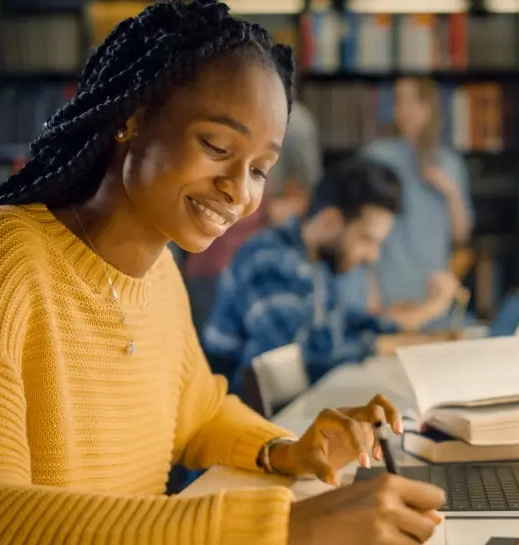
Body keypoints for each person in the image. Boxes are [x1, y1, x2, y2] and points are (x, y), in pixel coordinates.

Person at [0, 3, 445, 545]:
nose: (240, 192)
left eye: (260, 169)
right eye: (218, 147)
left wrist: (285, 451)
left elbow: (196, 413)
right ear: (132, 119)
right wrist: (280, 529)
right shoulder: (3, 251)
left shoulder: (162, 272)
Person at [201, 158, 460, 389]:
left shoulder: (314, 263)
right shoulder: (269, 260)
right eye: (367, 240)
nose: (373, 256)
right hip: (239, 418)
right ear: (330, 221)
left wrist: (417, 322)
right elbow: (298, 358)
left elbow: (340, 323)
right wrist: (395, 343)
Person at [336, 77, 474, 326]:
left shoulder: (450, 164)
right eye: (398, 102)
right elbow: (355, 227)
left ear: (429, 107)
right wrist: (367, 283)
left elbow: (461, 235)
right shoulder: (377, 156)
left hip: (434, 292)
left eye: (412, 101)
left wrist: (450, 193)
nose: (402, 110)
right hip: (390, 290)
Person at [182, 93, 321, 330]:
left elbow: (305, 197)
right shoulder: (293, 121)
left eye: (259, 169)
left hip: (240, 262)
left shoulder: (294, 123)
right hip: (214, 263)